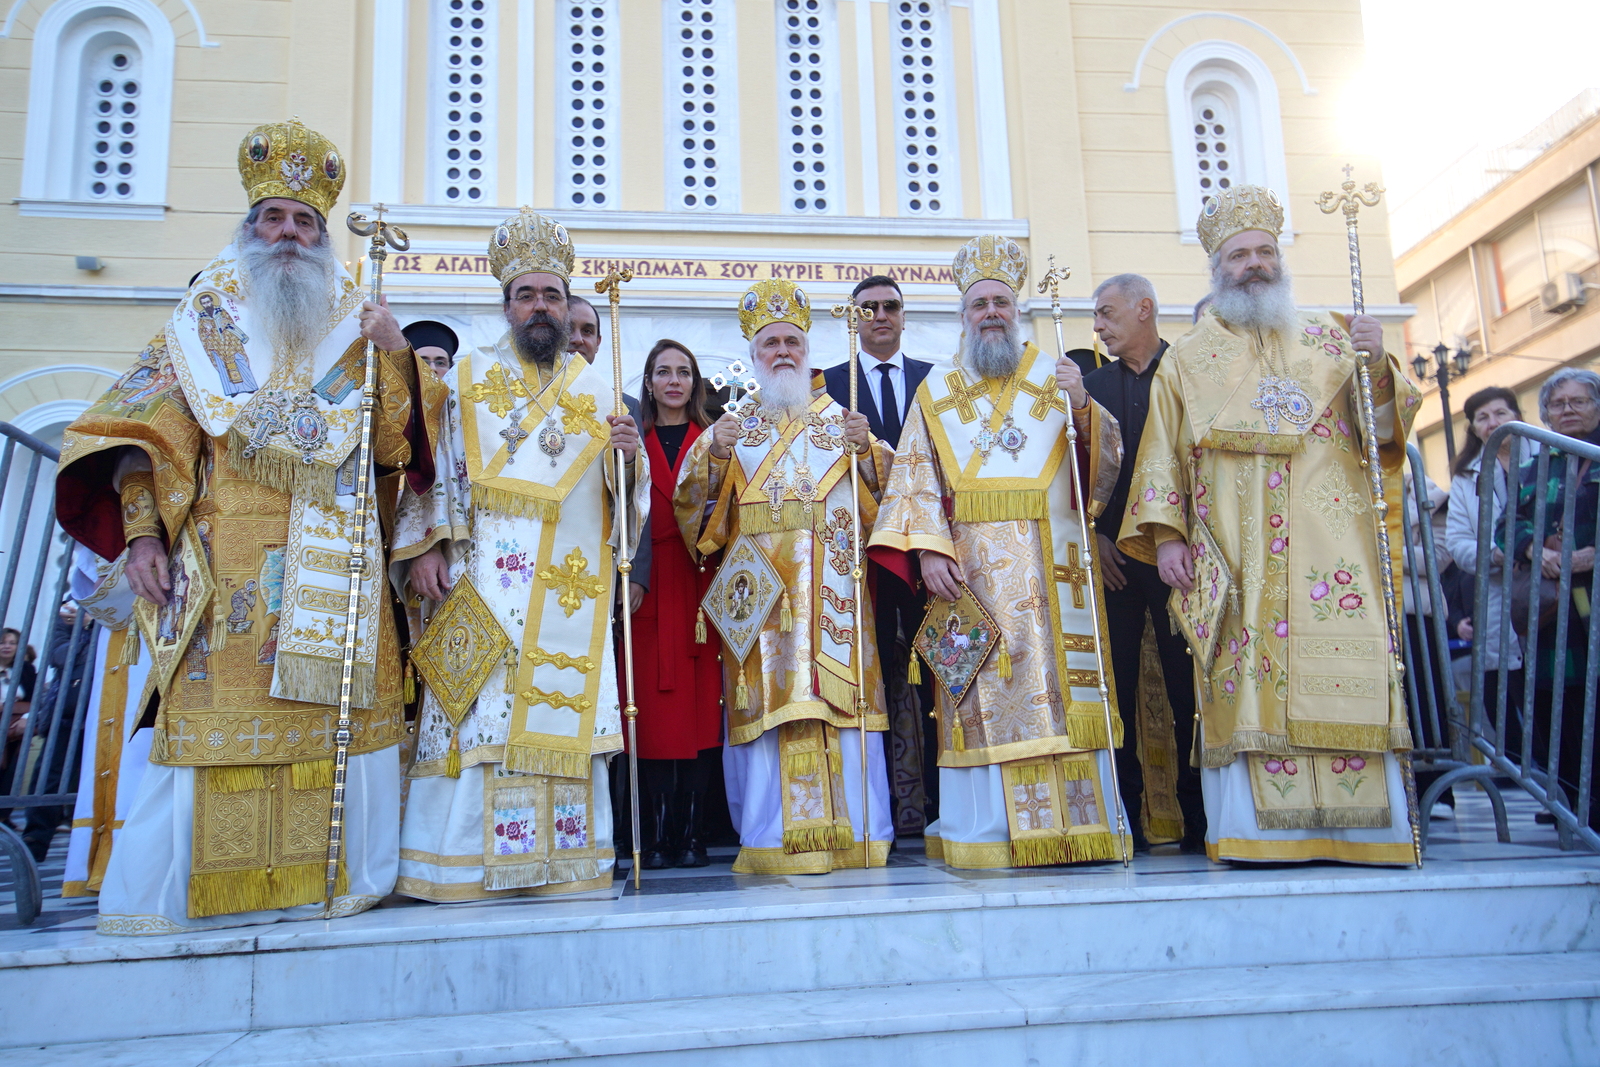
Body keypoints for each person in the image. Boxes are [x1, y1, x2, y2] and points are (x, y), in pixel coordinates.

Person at [55, 119, 444, 932]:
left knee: (335, 724)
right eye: (276, 218)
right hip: (223, 562)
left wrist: (399, 357)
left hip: (338, 566)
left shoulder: (357, 319)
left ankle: (328, 882)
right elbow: (143, 438)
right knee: (210, 726)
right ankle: (181, 896)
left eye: (306, 222)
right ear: (249, 227)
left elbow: (395, 452)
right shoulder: (200, 320)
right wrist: (142, 534)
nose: (292, 235)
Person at [1118, 185, 1423, 865]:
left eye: (1263, 251)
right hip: (1237, 550)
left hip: (1330, 547)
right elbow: (1161, 451)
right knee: (1244, 681)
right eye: (1238, 255)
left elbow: (1381, 438)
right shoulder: (1188, 358)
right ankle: (1262, 833)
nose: (1252, 264)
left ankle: (1362, 833)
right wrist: (1167, 537)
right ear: (1217, 268)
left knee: (1342, 671)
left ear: (1278, 259)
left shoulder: (1331, 337)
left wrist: (1377, 369)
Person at [392, 209, 647, 900]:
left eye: (553, 295)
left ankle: (565, 865)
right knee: (481, 715)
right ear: (507, 305)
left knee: (559, 716)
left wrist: (631, 463)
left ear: (568, 307)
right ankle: (465, 869)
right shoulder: (468, 379)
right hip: (485, 582)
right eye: (528, 294)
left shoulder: (598, 391)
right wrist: (428, 546)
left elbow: (628, 504)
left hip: (571, 590)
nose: (541, 306)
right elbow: (432, 466)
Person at [869, 235, 1127, 870]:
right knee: (981, 691)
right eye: (979, 302)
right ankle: (987, 828)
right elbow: (915, 476)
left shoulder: (1056, 376)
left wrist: (1084, 407)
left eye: (1001, 302)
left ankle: (1081, 825)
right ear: (964, 314)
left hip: (1052, 564)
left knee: (1063, 692)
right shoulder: (939, 391)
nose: (991, 312)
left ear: (1017, 310)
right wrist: (928, 552)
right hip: (972, 572)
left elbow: (1101, 473)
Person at [674, 278, 893, 874]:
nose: (782, 353)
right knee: (772, 712)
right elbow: (694, 521)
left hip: (834, 600)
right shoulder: (733, 429)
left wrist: (869, 450)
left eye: (792, 341)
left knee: (839, 707)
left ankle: (859, 837)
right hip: (764, 608)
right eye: (770, 343)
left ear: (808, 347)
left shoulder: (842, 423)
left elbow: (896, 500)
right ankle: (769, 838)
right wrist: (711, 456)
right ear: (753, 356)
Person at [1083, 273, 1205, 854]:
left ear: (1145, 310)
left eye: (1107, 313)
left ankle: (1198, 813)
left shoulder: (1188, 373)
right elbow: (1075, 469)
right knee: (1117, 685)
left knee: (1188, 684)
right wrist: (1097, 534)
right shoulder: (1091, 384)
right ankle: (1125, 817)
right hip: (1115, 563)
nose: (1099, 325)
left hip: (1179, 555)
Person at [821, 274, 938, 834]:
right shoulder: (829, 385)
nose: (880, 316)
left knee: (939, 670)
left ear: (903, 315)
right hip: (862, 558)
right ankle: (888, 804)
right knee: (880, 675)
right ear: (852, 318)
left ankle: (937, 799)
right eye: (867, 309)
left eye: (890, 307)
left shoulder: (935, 382)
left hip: (930, 554)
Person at [632, 339, 722, 868]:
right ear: (648, 382)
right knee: (650, 713)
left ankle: (692, 833)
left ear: (695, 383)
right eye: (662, 372)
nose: (673, 381)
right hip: (647, 583)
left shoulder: (711, 442)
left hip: (699, 585)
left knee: (699, 713)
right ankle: (658, 834)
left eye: (683, 372)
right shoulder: (631, 441)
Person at [1505, 368, 1600, 832]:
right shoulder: (1534, 466)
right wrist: (1532, 549)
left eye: (1578, 402)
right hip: (1550, 612)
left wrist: (1591, 557)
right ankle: (1568, 803)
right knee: (1552, 702)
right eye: (1558, 404)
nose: (1567, 411)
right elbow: (1504, 524)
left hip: (1593, 604)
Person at [1445, 387, 1537, 763]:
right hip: (1499, 593)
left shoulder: (1548, 455)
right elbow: (1458, 541)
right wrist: (1499, 553)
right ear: (1473, 428)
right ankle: (1529, 778)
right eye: (1482, 417)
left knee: (1549, 693)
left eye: (1500, 413)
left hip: (1548, 588)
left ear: (1517, 415)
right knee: (1506, 689)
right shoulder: (1467, 476)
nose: (1493, 423)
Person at [0, 626, 38, 829]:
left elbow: (35, 698)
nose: (7, 646)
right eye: (3, 642)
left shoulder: (26, 669)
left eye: (12, 643)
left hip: (16, 725)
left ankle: (3, 817)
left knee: (12, 769)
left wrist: (27, 718)